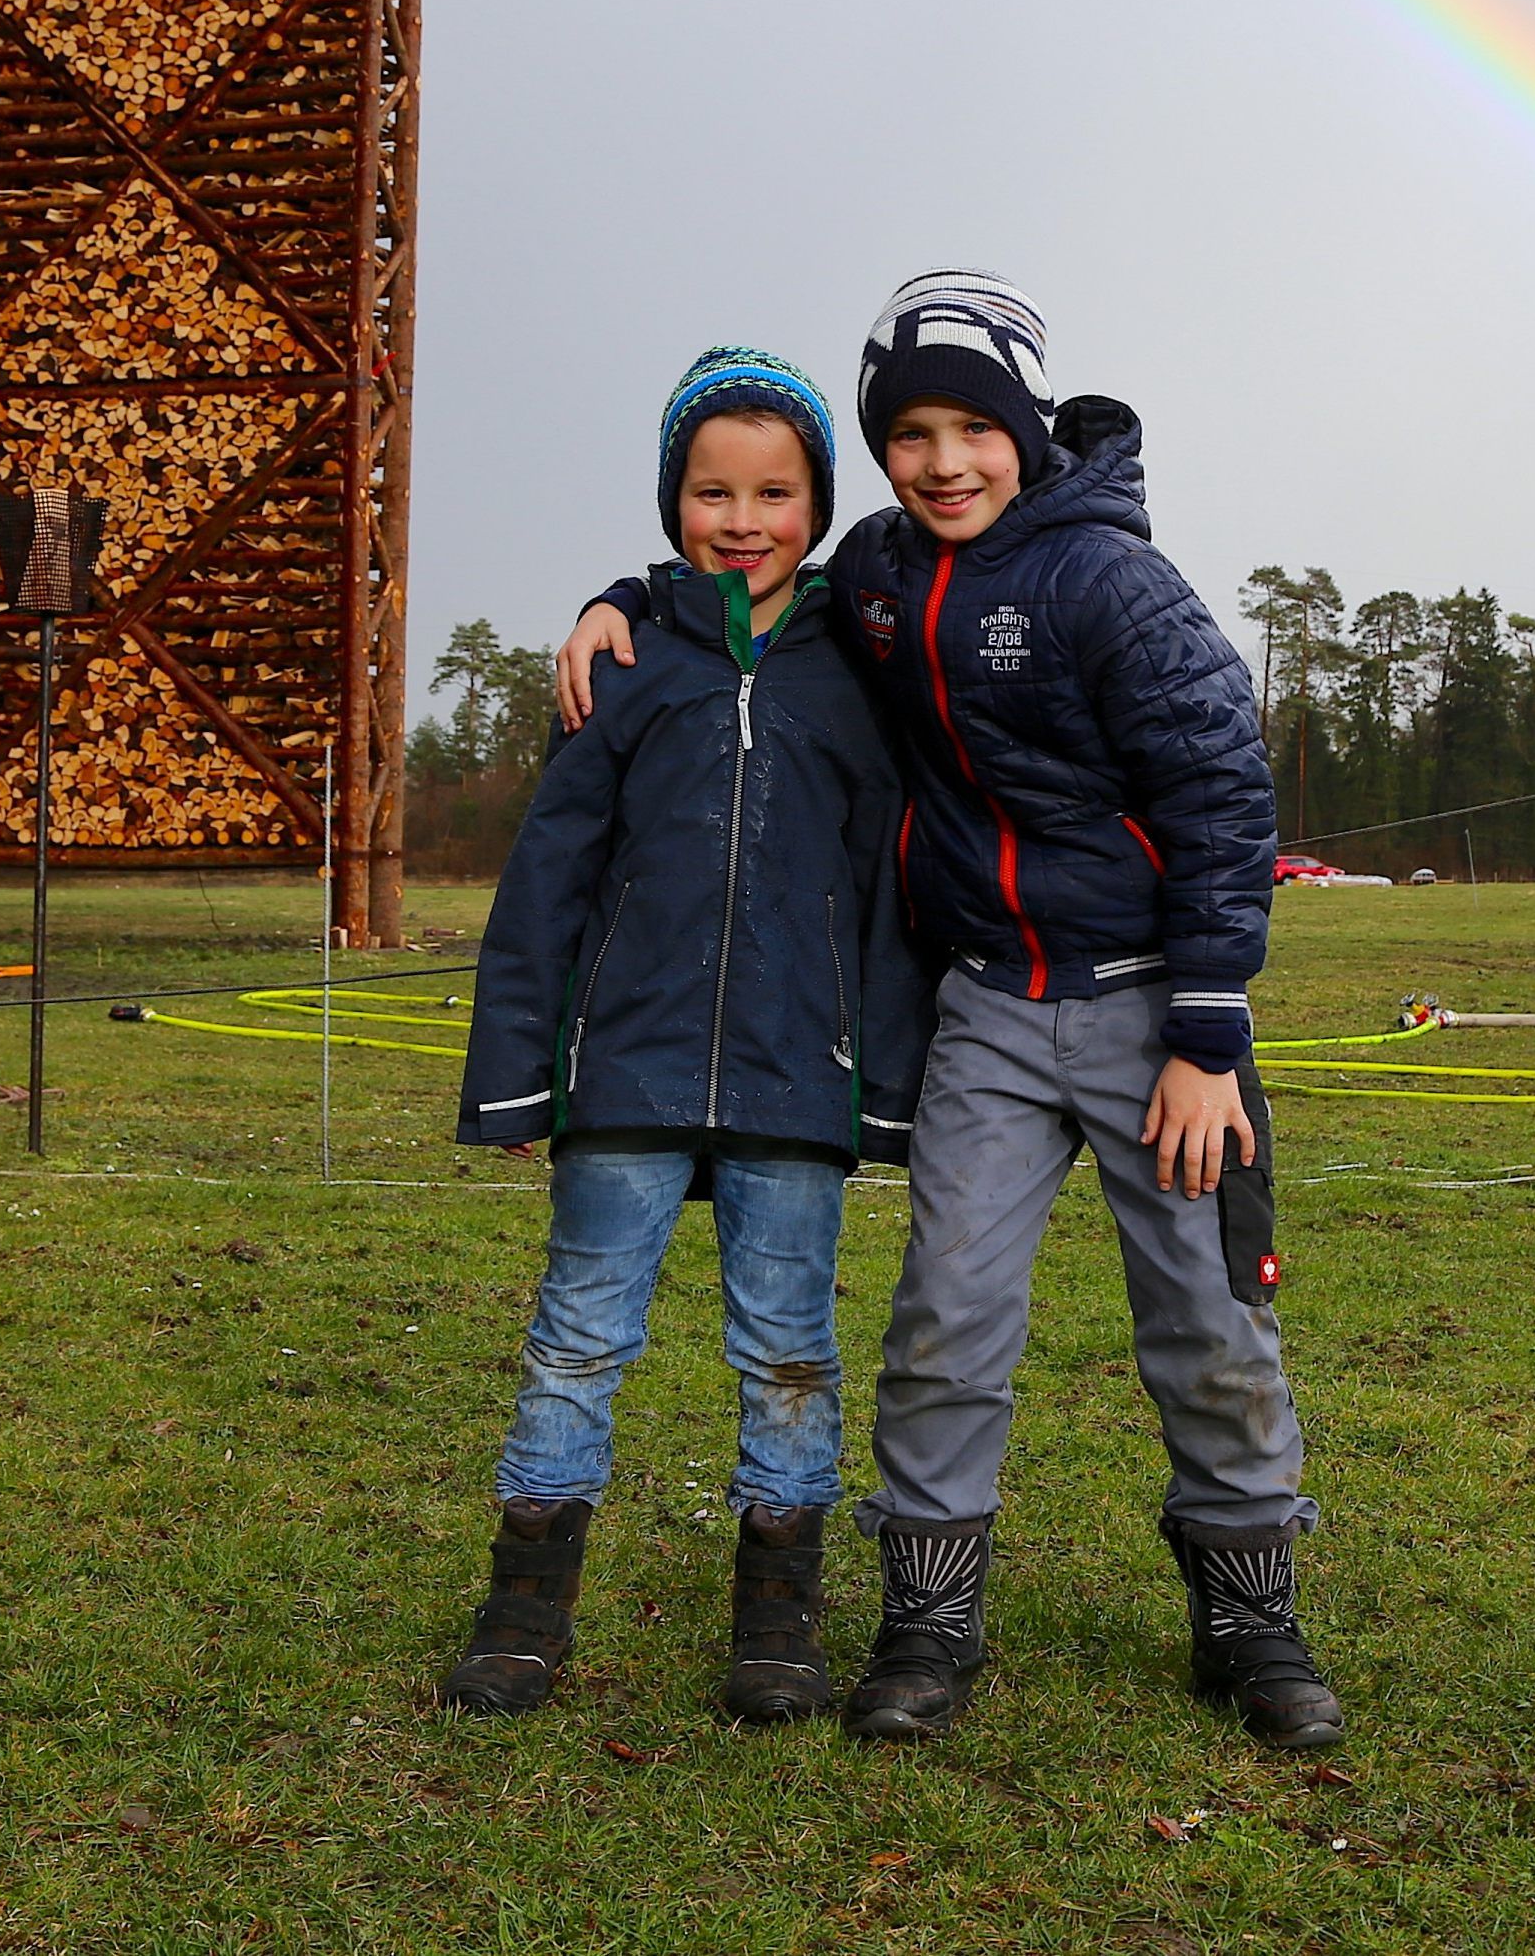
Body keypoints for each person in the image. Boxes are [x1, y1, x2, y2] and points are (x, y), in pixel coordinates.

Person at [554, 274, 1341, 1750]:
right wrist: (618, 599)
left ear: (1026, 428)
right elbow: (743, 575)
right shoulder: (872, 571)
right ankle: (928, 1621)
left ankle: (1252, 1617)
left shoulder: (1110, 580)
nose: (941, 459)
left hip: (1152, 1021)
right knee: (945, 1319)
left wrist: (1206, 1039)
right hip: (984, 1006)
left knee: (1207, 1315)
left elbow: (1224, 795)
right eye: (907, 430)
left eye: (971, 424)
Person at [439, 348, 928, 1726]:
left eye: (775, 489)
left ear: (817, 502)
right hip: (628, 1073)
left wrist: (882, 1092)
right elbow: (548, 880)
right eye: (712, 488)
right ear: (672, 500)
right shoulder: (628, 658)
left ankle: (777, 1623)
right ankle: (522, 1613)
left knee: (788, 1348)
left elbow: (892, 895)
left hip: (796, 1079)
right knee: (576, 1338)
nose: (742, 515)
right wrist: (517, 1070)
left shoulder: (861, 673)